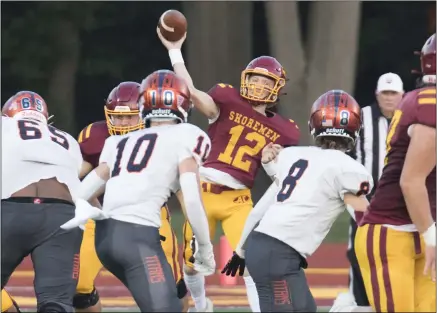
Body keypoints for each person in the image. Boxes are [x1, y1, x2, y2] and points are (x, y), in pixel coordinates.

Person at [157, 29, 300, 313]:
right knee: (192, 261)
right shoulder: (227, 99)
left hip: (239, 200)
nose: (258, 85)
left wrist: (273, 160)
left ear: (277, 88)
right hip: (204, 192)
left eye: (265, 80)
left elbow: (278, 175)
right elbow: (192, 93)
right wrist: (175, 52)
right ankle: (200, 305)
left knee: (249, 263)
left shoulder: (286, 130)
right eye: (255, 78)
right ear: (245, 80)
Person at [61, 70, 216, 312]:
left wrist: (77, 210)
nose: (122, 123)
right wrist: (205, 247)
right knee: (165, 308)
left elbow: (90, 182)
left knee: (164, 299)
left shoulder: (118, 142)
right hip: (138, 235)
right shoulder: (188, 135)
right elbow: (192, 200)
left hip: (106, 237)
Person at [221, 89, 375, 312]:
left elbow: (258, 212)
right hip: (279, 255)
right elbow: (364, 219)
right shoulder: (347, 168)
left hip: (262, 247)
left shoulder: (293, 156)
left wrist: (241, 251)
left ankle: (346, 308)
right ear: (354, 126)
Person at [354, 33, 436, 313]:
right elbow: (411, 181)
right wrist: (433, 237)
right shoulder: (429, 103)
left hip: (424, 229)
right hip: (392, 231)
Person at [1, 91, 84, 312]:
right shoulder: (68, 139)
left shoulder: (5, 126)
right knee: (56, 301)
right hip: (63, 216)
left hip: (12, 210)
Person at [347, 72, 404, 306]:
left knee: (400, 252)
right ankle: (361, 303)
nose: (389, 98)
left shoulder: (410, 118)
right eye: (385, 93)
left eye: (394, 94)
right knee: (359, 251)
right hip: (365, 199)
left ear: (402, 95)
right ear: (377, 95)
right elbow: (347, 156)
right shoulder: (361, 118)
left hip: (402, 201)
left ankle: (397, 301)